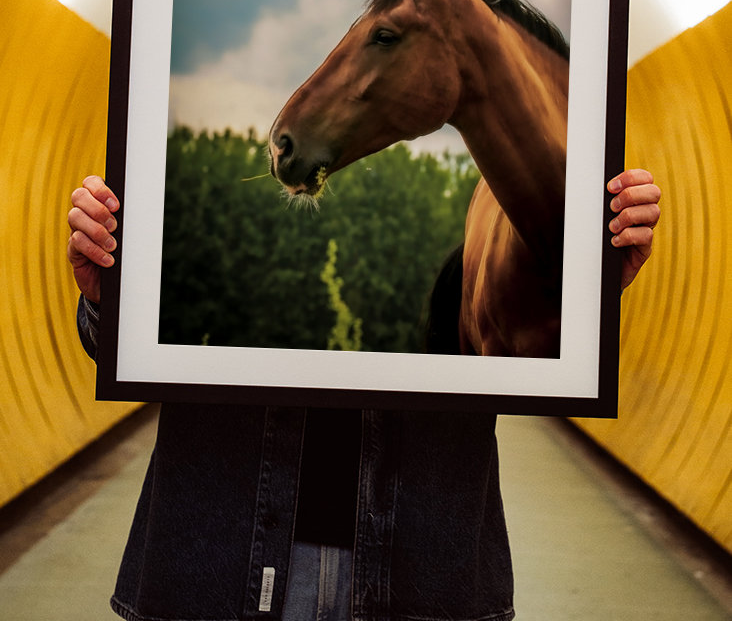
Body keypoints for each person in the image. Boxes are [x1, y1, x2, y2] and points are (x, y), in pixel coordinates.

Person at [68, 169, 661, 621]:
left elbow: (511, 348)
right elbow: (121, 347)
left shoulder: (478, 228)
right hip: (218, 560)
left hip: (422, 570)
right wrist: (108, 299)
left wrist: (583, 296)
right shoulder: (213, 213)